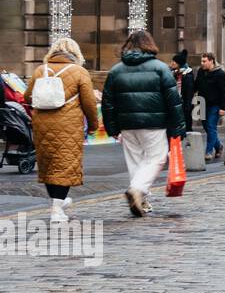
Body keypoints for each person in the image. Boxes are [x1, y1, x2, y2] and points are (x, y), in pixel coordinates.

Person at [101, 30, 186, 218]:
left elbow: (108, 103)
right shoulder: (160, 68)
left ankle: (142, 199)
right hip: (154, 123)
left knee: (136, 162)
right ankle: (137, 190)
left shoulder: (116, 70)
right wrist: (178, 127)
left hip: (127, 124)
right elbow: (173, 101)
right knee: (157, 157)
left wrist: (112, 128)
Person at [26, 37, 99, 223]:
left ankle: (58, 202)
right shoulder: (79, 72)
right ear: (75, 53)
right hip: (68, 125)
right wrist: (93, 125)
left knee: (49, 164)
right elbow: (89, 103)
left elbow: (27, 96)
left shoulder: (40, 70)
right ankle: (57, 210)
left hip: (42, 123)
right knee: (65, 164)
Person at [195, 52, 225, 162]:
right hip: (202, 103)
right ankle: (218, 146)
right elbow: (196, 85)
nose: (202, 63)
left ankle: (208, 152)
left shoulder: (220, 74)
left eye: (204, 61)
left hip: (215, 105)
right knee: (206, 126)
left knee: (211, 126)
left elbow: (223, 92)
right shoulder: (200, 71)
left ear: (211, 61)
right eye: (201, 61)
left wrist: (223, 108)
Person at [171, 50, 196, 133]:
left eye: (174, 61)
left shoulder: (187, 75)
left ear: (179, 63)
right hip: (175, 103)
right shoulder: (174, 73)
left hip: (184, 105)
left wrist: (187, 106)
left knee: (186, 128)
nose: (172, 63)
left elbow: (189, 93)